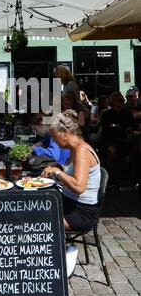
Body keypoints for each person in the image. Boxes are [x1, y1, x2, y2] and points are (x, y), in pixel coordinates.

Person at [41, 110, 101, 276]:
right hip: (69, 203)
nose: (53, 140)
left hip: (81, 212)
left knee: (41, 221)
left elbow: (79, 186)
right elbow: (71, 173)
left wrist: (58, 173)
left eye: (54, 136)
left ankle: (59, 259)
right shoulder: (74, 148)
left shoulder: (82, 151)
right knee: (37, 208)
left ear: (65, 133)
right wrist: (56, 169)